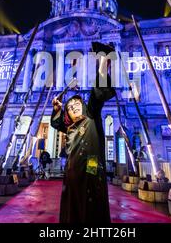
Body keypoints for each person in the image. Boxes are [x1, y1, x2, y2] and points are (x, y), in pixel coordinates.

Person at [51, 42, 116, 223]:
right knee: (73, 205)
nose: (74, 106)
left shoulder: (91, 114)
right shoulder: (69, 126)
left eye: (78, 103)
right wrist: (56, 108)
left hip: (91, 165)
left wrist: (103, 62)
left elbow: (98, 93)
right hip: (72, 170)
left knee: (92, 199)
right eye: (70, 106)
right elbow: (57, 124)